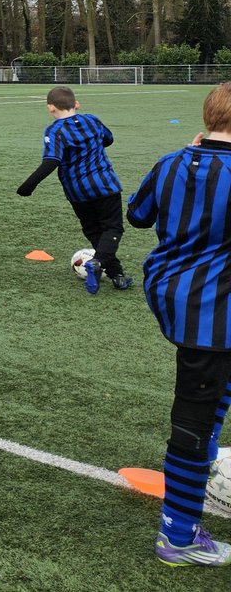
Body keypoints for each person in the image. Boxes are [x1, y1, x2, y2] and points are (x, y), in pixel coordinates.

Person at [126, 83, 231, 567]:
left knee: (208, 404)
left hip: (174, 295)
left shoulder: (171, 161)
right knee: (193, 420)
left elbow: (138, 215)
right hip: (210, 313)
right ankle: (179, 536)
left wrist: (193, 164)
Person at [16, 85, 131, 294]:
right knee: (112, 228)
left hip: (78, 191)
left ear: (51, 108)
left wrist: (27, 186)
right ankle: (100, 265)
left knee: (93, 230)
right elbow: (109, 139)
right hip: (106, 184)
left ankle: (117, 275)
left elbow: (51, 161)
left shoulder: (55, 130)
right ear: (76, 104)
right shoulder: (92, 120)